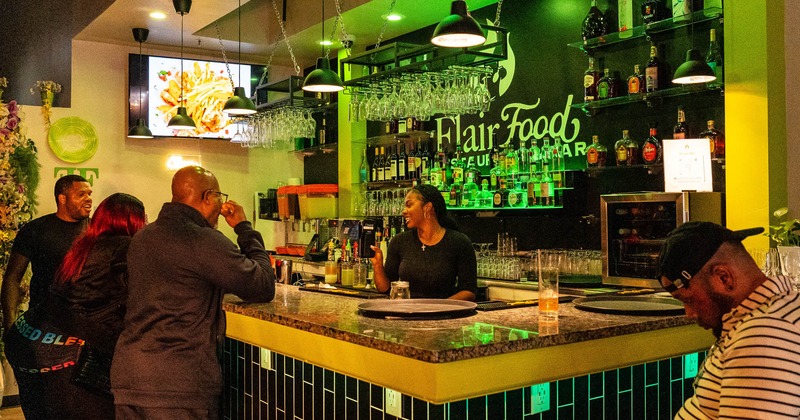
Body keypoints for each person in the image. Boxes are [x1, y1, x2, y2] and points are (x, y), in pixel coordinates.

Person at [111, 165, 275, 419]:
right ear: (208, 197)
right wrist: (244, 228)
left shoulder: (144, 236)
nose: (221, 204)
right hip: (178, 382)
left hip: (130, 374)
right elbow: (262, 285)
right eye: (220, 196)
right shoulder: (203, 240)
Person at [3, 193, 146, 419]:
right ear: (133, 220)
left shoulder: (83, 245)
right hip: (66, 350)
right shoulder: (124, 248)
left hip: (28, 336)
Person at [657, 221, 800, 419]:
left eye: (688, 299)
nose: (689, 313)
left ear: (724, 278)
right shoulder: (773, 313)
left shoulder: (763, 336)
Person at [2, 174, 92, 333]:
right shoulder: (35, 230)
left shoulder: (97, 231)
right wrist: (10, 326)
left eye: (89, 194)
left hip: (87, 325)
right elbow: (13, 278)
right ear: (62, 199)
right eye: (81, 194)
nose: (88, 199)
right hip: (43, 325)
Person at [370, 184, 477, 300]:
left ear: (427, 207)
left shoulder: (459, 242)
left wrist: (438, 308)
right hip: (408, 313)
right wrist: (377, 265)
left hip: (444, 315)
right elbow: (385, 289)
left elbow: (469, 291)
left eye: (409, 205)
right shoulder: (399, 241)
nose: (403, 211)